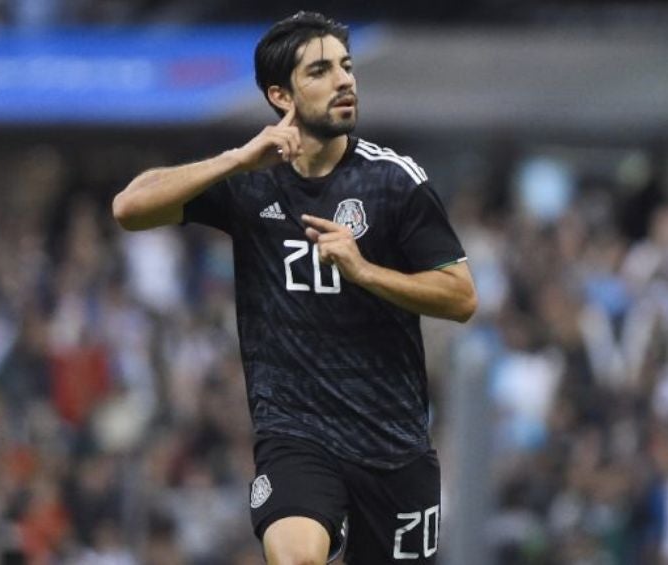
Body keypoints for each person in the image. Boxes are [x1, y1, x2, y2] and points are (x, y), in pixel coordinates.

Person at [112, 11, 477, 565]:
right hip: (296, 435)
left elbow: (462, 297)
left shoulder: (396, 181)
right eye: (322, 71)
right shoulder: (249, 181)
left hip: (392, 445)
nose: (345, 81)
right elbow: (129, 208)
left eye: (347, 67)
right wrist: (236, 158)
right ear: (281, 95)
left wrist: (364, 271)